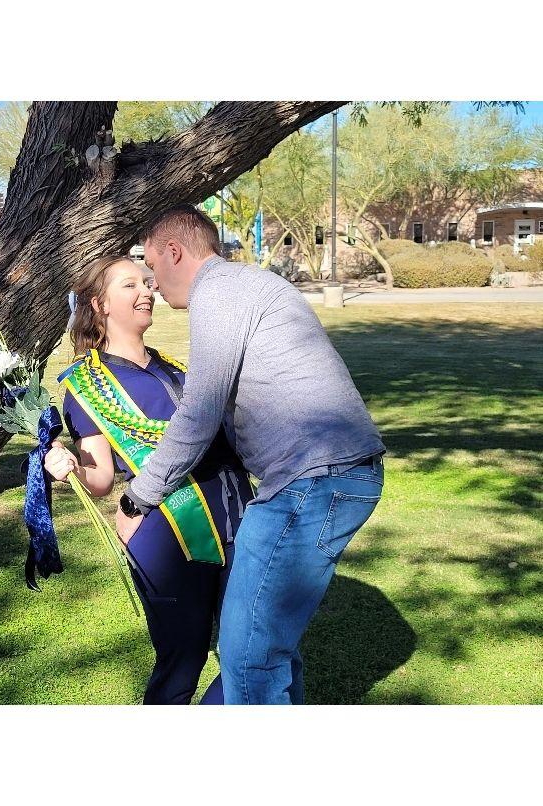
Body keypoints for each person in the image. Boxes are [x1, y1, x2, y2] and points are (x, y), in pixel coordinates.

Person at [117, 205, 386, 705]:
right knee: (266, 649)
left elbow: (198, 414)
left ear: (174, 251)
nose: (152, 282)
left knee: (247, 654)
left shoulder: (219, 292)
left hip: (314, 480)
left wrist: (137, 499)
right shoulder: (243, 285)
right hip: (323, 477)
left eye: (152, 266)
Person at [44, 255, 254, 705]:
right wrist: (68, 466)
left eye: (147, 281)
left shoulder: (174, 367)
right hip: (167, 535)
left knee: (253, 652)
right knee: (182, 661)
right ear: (99, 304)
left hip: (238, 520)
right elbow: (101, 477)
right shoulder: (86, 384)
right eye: (130, 285)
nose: (147, 291)